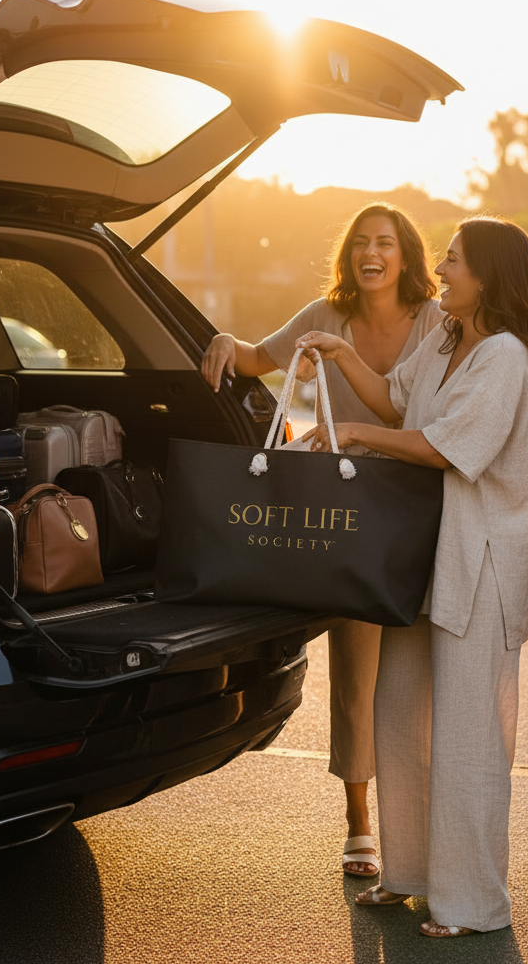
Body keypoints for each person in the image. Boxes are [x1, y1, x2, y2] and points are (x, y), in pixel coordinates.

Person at [297, 216, 528, 937]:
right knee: (402, 712)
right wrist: (339, 354)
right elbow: (392, 397)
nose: (440, 269)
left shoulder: (504, 355)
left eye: (453, 260)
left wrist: (353, 434)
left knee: (471, 737)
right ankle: (409, 872)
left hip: (477, 565)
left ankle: (473, 903)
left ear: (488, 277)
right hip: (420, 558)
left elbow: (447, 448)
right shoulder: (448, 338)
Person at [200, 204, 443, 878]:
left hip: (421, 509)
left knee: (418, 676)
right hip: (346, 517)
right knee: (357, 675)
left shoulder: (434, 320)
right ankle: (359, 822)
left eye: (385, 243)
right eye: (361, 242)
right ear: (349, 254)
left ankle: (417, 823)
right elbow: (255, 359)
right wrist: (225, 339)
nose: (372, 253)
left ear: (406, 254)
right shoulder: (323, 314)